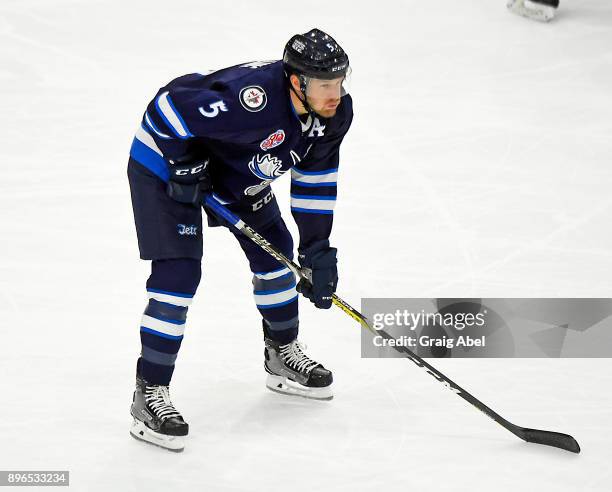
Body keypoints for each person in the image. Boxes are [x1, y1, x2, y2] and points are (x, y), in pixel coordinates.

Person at [127, 28, 353, 451]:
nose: (335, 94)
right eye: (324, 84)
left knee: (279, 258)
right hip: (163, 164)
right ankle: (149, 393)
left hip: (236, 173)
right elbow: (166, 110)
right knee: (178, 276)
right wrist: (185, 163)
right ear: (295, 81)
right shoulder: (253, 99)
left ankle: (282, 356)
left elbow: (315, 182)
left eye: (340, 82)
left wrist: (316, 249)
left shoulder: (332, 115)